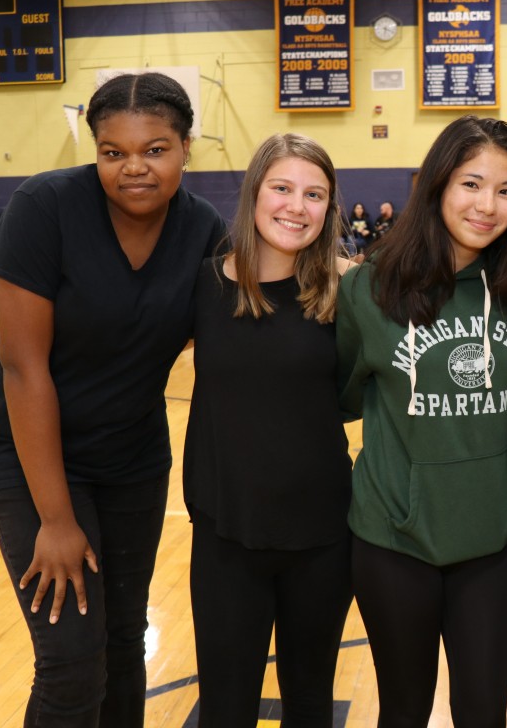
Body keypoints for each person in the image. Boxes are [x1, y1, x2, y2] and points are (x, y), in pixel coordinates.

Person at [0, 71, 226, 727]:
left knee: (122, 641)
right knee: (70, 655)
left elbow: (262, 319)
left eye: (155, 149)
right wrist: (55, 520)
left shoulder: (203, 232)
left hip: (133, 460)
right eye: (114, 152)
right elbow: (23, 368)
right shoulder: (44, 209)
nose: (134, 168)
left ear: (186, 148)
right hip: (33, 454)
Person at [336, 115, 507, 728]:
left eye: (505, 191)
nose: (488, 205)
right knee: (402, 709)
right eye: (471, 184)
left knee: (484, 712)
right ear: (436, 186)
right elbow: (343, 394)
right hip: (392, 539)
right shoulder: (369, 290)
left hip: (489, 538)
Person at [183, 133, 353, 727]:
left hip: (323, 538)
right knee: (226, 708)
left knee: (309, 703)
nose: (295, 206)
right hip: (227, 535)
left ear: (329, 209)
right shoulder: (203, 286)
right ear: (254, 194)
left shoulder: (347, 290)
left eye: (314, 195)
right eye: (282, 188)